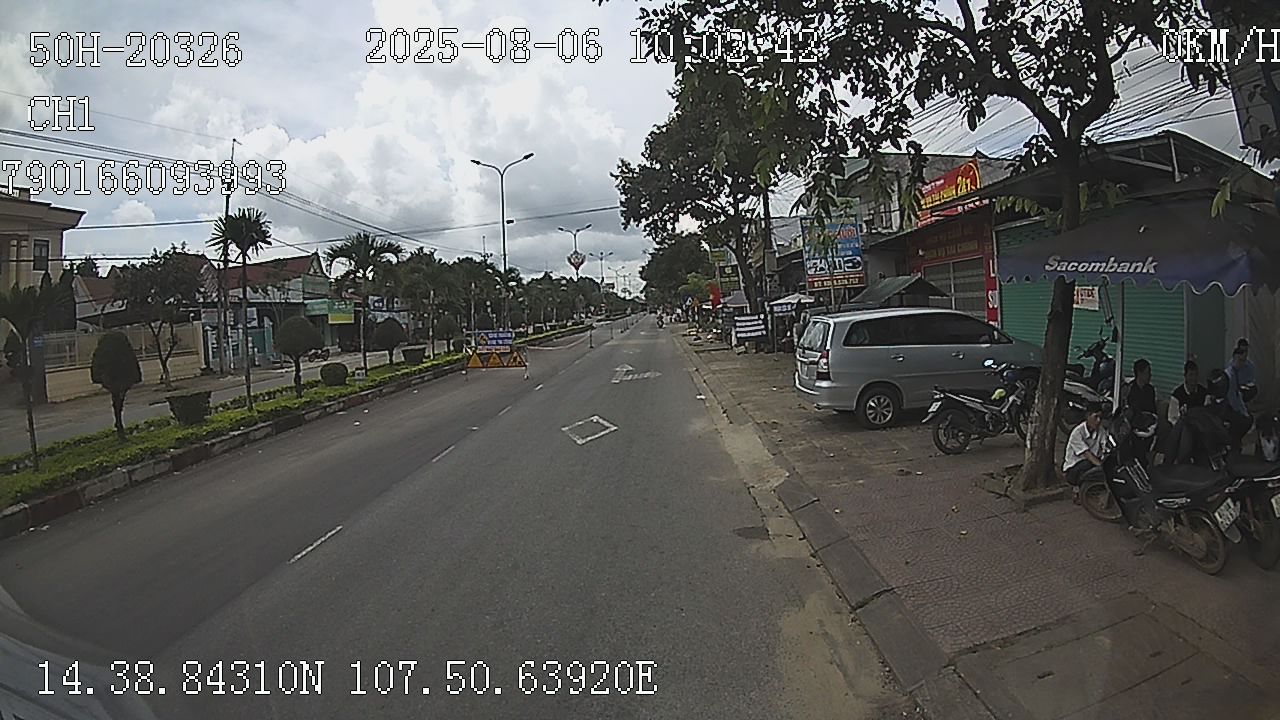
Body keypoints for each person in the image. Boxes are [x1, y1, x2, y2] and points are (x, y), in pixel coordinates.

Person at [1063, 402, 1108, 495]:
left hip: (1092, 463)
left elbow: (1105, 446)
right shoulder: (1077, 432)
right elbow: (1087, 455)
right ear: (1088, 416)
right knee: (1088, 464)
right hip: (1074, 470)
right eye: (1096, 417)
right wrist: (1102, 467)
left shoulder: (1101, 430)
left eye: (1100, 417)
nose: (1098, 421)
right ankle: (1078, 489)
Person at [1168, 359, 1209, 424]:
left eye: (1196, 374)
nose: (1194, 378)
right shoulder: (1177, 394)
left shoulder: (1204, 392)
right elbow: (1172, 418)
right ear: (1185, 376)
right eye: (1191, 375)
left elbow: (1207, 414)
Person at [1233, 338, 1259, 404]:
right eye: (1242, 351)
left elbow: (1252, 381)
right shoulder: (1231, 365)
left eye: (1246, 351)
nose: (1244, 354)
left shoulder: (1250, 366)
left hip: (1245, 389)